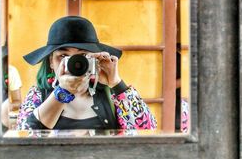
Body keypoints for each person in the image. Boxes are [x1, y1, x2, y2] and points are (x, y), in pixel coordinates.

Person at [16, 16, 157, 130]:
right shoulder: (38, 95)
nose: (72, 64)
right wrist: (63, 92)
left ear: (96, 59)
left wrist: (116, 83)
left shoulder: (111, 96)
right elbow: (23, 137)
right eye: (63, 57)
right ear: (51, 62)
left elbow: (147, 131)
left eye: (82, 56)